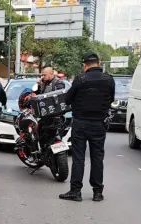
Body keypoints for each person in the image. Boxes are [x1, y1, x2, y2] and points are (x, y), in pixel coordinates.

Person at [59, 52, 115, 202]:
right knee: (97, 158)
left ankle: (75, 192)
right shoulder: (109, 80)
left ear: (84, 65)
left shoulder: (80, 79)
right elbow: (111, 99)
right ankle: (97, 192)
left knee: (78, 158)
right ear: (99, 62)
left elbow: (68, 99)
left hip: (81, 123)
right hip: (99, 124)